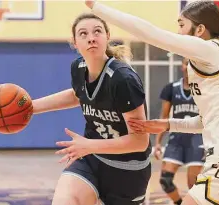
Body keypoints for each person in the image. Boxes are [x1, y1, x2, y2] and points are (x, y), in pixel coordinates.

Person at [85, 0, 219, 204]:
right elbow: (206, 121)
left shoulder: (209, 50)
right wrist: (168, 124)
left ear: (200, 29)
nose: (178, 31)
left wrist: (97, 7)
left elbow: (151, 33)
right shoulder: (214, 60)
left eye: (182, 25)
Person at [32, 13, 151, 205]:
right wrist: (32, 107)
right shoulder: (78, 68)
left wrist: (89, 145)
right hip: (92, 159)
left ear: (107, 36)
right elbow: (78, 94)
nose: (91, 38)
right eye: (83, 33)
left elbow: (139, 141)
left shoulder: (123, 79)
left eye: (97, 31)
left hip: (128, 168)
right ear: (75, 43)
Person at [154, 57, 204, 205]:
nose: (188, 66)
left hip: (197, 139)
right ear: (181, 66)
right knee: (165, 181)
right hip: (176, 139)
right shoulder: (171, 88)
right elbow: (164, 118)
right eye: (186, 63)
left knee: (193, 185)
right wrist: (157, 143)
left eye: (192, 63)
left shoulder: (204, 90)